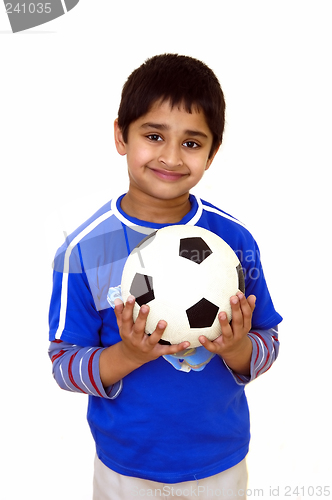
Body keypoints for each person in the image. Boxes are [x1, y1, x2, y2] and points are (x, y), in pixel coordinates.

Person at [48, 54, 282, 499]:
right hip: (125, 466)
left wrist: (238, 349)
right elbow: (64, 365)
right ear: (121, 134)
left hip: (219, 462)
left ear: (212, 153)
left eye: (192, 143)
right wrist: (129, 355)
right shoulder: (85, 251)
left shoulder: (232, 242)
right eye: (153, 136)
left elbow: (268, 340)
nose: (171, 157)